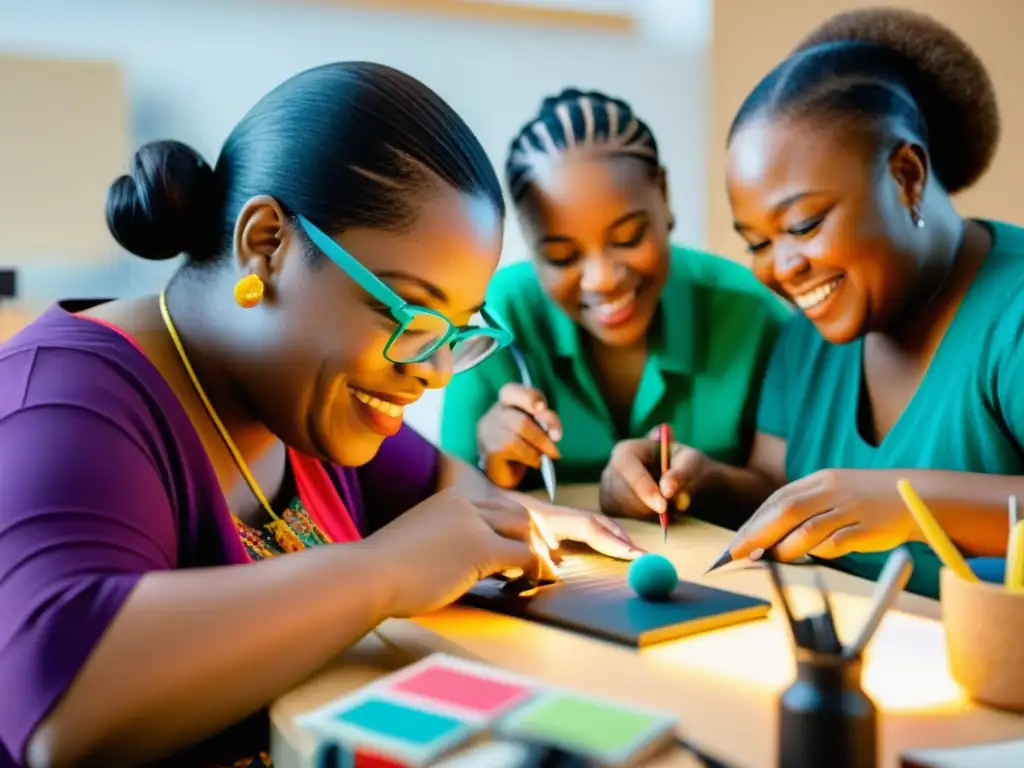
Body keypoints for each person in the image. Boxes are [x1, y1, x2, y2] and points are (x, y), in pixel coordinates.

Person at [0, 62, 639, 768]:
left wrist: (528, 523)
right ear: (267, 243)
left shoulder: (303, 408)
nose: (429, 371)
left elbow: (453, 497)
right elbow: (59, 707)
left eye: (455, 332)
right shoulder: (64, 401)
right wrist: (381, 573)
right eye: (406, 313)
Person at [613, 8, 1024, 598]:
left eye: (804, 224)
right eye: (756, 242)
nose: (781, 268)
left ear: (906, 176)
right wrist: (698, 483)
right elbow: (778, 485)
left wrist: (907, 504)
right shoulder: (807, 333)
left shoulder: (1013, 314)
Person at [440, 88, 789, 527]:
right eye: (562, 257)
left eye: (628, 238)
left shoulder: (754, 315)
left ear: (663, 195)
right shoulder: (493, 321)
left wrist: (708, 483)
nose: (602, 279)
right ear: (529, 245)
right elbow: (441, 501)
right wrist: (491, 463)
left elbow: (784, 490)